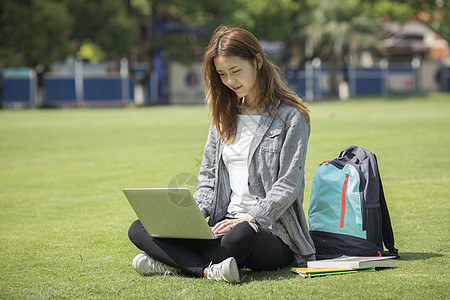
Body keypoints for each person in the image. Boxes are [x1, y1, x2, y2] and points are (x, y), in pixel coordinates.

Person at [128, 26, 315, 283]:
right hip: (221, 226)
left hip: (269, 231)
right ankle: (207, 270)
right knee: (139, 228)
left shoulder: (292, 116)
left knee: (241, 236)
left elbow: (289, 183)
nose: (229, 81)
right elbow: (207, 179)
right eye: (222, 74)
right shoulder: (223, 116)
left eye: (236, 71)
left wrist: (252, 217)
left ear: (258, 61)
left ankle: (171, 262)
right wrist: (191, 218)